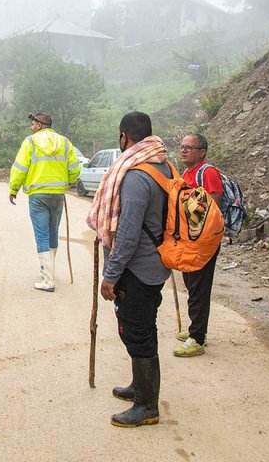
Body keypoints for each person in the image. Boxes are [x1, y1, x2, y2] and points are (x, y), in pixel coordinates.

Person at [87, 111, 171, 428]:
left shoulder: (136, 175)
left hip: (139, 269)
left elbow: (128, 233)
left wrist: (111, 275)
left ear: (124, 137)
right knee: (142, 327)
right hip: (155, 265)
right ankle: (140, 386)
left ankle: (147, 405)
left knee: (136, 331)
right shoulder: (162, 163)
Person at [8, 112, 81, 292]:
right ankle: (47, 271)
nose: (31, 128)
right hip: (57, 195)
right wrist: (66, 182)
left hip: (38, 196)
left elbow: (20, 168)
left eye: (33, 124)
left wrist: (13, 189)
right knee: (52, 233)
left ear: (40, 125)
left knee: (42, 235)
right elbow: (75, 168)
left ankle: (48, 281)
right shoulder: (64, 142)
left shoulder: (30, 142)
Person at [175, 133, 223, 357]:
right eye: (182, 147)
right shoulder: (187, 172)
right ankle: (196, 328)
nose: (183, 150)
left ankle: (197, 338)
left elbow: (214, 205)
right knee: (191, 284)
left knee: (199, 287)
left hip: (204, 242)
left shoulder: (208, 172)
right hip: (190, 240)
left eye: (189, 147)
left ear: (202, 152)